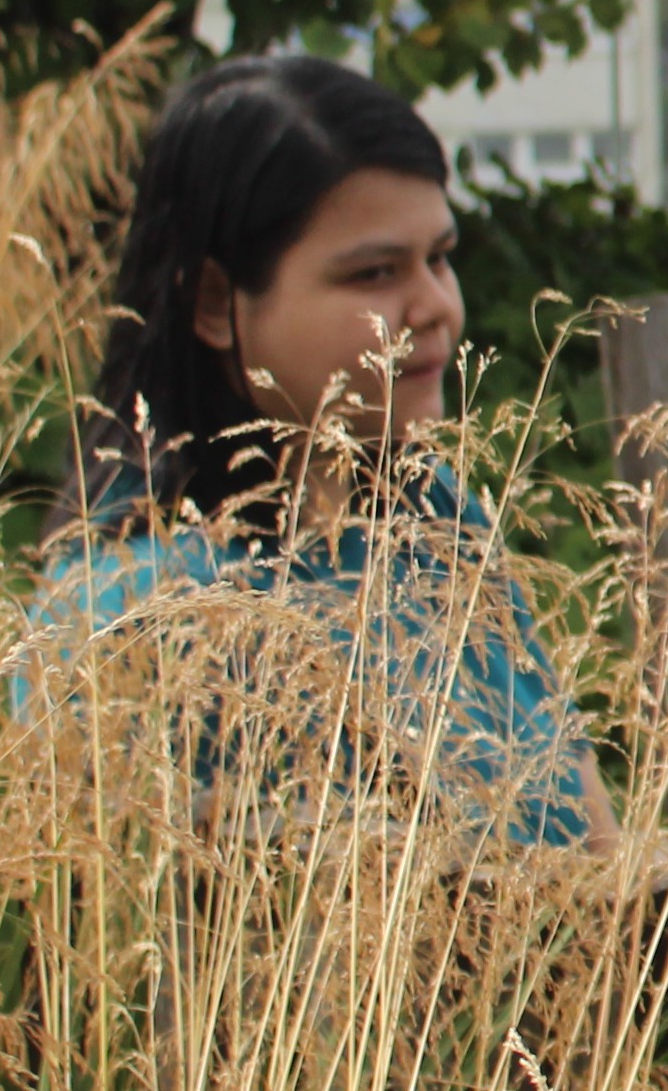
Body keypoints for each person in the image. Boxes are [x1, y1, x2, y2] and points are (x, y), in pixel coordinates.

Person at [45, 51, 602, 846]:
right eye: (374, 273)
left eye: (440, 259)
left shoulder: (434, 514)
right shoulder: (142, 614)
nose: (436, 306)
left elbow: (597, 841)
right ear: (214, 303)